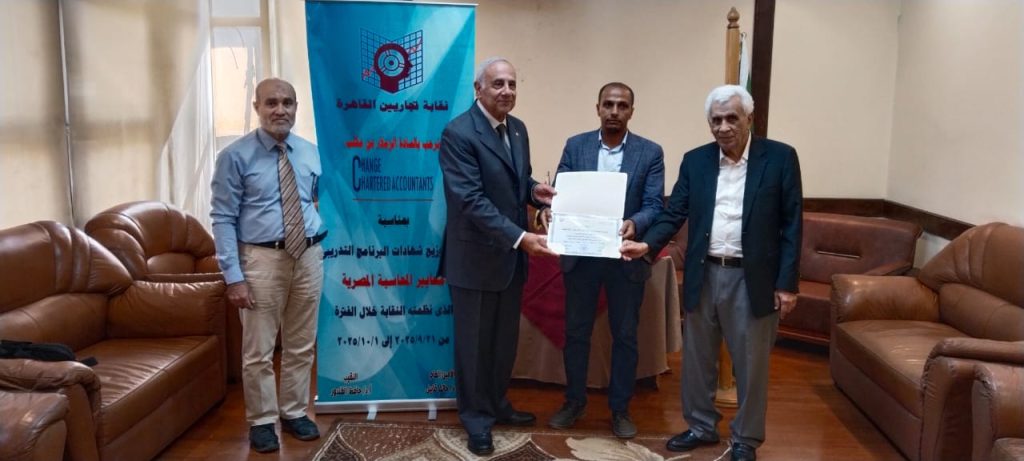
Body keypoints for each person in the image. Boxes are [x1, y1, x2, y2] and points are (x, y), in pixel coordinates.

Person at [620, 84, 802, 461]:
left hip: (753, 279)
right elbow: (674, 212)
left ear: (749, 118)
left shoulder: (780, 158)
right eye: (715, 120)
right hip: (704, 273)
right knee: (697, 359)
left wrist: (787, 284)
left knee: (751, 365)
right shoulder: (696, 161)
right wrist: (647, 245)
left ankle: (746, 439)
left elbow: (792, 224)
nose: (723, 127)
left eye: (731, 118)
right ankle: (701, 426)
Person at [438, 57, 557, 456]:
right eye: (497, 84)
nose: (506, 91)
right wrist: (520, 237)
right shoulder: (458, 133)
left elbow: (514, 180)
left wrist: (534, 191)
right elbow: (470, 199)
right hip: (474, 261)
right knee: (473, 347)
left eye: (512, 84)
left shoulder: (517, 128)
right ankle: (475, 420)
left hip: (509, 262)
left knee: (503, 343)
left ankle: (497, 404)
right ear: (478, 89)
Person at [211, 77, 326, 453]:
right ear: (257, 107)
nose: (280, 110)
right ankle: (262, 421)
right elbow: (223, 218)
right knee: (258, 350)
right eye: (271, 103)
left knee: (301, 343)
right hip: (261, 259)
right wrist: (233, 277)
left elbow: (314, 200)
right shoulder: (234, 156)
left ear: (296, 108)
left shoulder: (310, 152)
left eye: (287, 103)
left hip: (308, 256)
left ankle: (294, 412)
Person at [546, 82, 664, 439]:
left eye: (622, 105)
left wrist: (636, 223)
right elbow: (561, 194)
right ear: (597, 107)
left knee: (625, 336)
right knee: (576, 333)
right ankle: (574, 402)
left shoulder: (650, 152)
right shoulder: (576, 145)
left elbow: (654, 205)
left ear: (631, 111)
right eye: (608, 104)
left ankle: (620, 409)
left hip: (624, 257)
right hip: (582, 255)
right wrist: (551, 212)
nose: (614, 111)